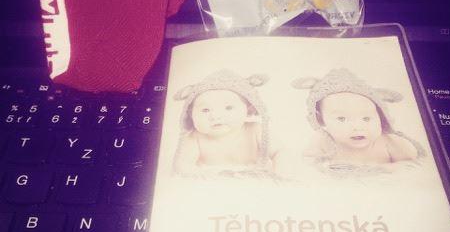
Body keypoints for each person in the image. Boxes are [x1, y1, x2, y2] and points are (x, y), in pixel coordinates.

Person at [293, 68, 424, 174]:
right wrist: (326, 167)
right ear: (321, 120)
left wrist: (387, 169)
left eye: (366, 118)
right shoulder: (323, 140)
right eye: (342, 119)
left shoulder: (389, 142)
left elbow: (415, 166)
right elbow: (307, 164)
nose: (357, 127)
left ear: (381, 117)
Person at [173, 70, 277, 177]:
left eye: (228, 108)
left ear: (248, 109)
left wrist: (281, 174)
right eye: (205, 110)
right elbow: (182, 166)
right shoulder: (195, 138)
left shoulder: (256, 131)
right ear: (190, 115)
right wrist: (207, 177)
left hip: (253, 181)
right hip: (212, 183)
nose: (216, 116)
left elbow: (280, 152)